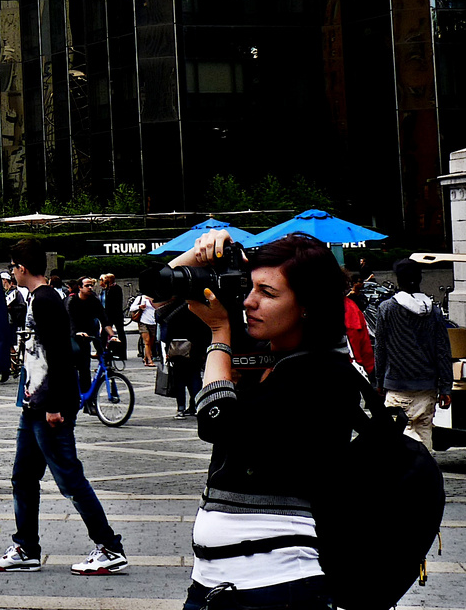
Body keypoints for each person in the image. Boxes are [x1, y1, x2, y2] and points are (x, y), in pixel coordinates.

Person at [172, 230, 363, 610]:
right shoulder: (264, 357)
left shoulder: (325, 374)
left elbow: (214, 422)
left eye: (268, 293)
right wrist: (199, 255)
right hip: (212, 586)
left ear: (307, 305)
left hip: (280, 586)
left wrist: (220, 334)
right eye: (250, 288)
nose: (248, 302)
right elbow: (162, 294)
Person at [0, 243, 126, 576]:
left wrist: (54, 406)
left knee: (69, 478)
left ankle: (110, 547)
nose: (12, 271)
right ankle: (26, 548)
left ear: (20, 267)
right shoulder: (42, 298)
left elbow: (60, 355)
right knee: (23, 477)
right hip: (35, 405)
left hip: (49, 407)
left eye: (12, 266)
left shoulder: (46, 299)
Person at [373, 258, 452, 450]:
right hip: (428, 385)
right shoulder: (433, 311)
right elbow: (443, 349)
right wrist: (446, 387)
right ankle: (425, 475)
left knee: (398, 439)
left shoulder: (387, 309)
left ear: (397, 279)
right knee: (424, 434)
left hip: (397, 384)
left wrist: (378, 381)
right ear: (420, 278)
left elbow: (380, 348)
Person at [158, 295, 211, 419]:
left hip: (177, 350)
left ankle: (181, 409)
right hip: (195, 349)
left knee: (180, 381)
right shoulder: (197, 311)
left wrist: (167, 351)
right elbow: (205, 332)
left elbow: (167, 333)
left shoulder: (173, 311)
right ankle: (197, 406)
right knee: (195, 378)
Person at [68, 278, 114, 394]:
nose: (90, 288)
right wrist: (76, 332)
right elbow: (70, 321)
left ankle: (88, 398)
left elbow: (104, 320)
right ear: (80, 287)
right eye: (87, 285)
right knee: (79, 361)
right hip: (73, 335)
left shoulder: (94, 301)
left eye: (91, 285)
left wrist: (112, 336)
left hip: (89, 334)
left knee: (90, 364)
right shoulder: (72, 301)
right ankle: (76, 393)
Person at [127, 290, 156, 367]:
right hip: (143, 321)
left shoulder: (156, 297)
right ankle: (150, 360)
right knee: (147, 341)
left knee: (151, 342)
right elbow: (131, 308)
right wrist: (139, 306)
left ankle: (146, 358)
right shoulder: (141, 298)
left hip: (153, 321)